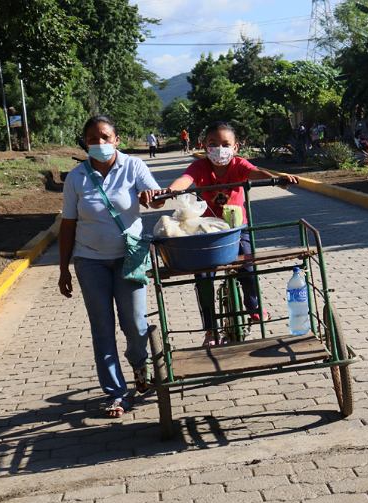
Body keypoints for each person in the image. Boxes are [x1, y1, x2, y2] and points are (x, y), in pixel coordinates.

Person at [58, 115, 169, 418]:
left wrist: (152, 197)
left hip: (129, 258)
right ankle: (116, 393)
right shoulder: (76, 177)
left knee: (134, 323)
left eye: (105, 137)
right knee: (102, 327)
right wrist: (63, 268)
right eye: (92, 139)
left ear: (116, 140)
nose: (100, 143)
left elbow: (156, 199)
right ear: (85, 143)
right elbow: (68, 224)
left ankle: (140, 364)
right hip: (89, 260)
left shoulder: (133, 166)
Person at [167, 121, 298, 347]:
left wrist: (276, 179)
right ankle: (210, 329)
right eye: (213, 143)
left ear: (236, 147)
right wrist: (170, 190)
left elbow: (255, 172)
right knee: (203, 277)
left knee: (248, 266)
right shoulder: (199, 167)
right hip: (208, 231)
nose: (219, 149)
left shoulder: (239, 164)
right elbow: (185, 180)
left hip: (237, 229)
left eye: (225, 144)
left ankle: (254, 307)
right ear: (204, 146)